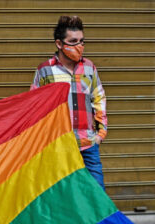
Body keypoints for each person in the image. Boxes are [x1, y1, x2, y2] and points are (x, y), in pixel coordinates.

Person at [30, 15, 107, 190]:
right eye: (73, 41)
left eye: (81, 41)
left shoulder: (89, 67)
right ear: (59, 44)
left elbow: (99, 97)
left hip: (88, 143)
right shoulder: (45, 70)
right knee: (63, 196)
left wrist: (101, 134)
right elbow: (34, 107)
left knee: (97, 195)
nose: (79, 46)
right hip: (58, 147)